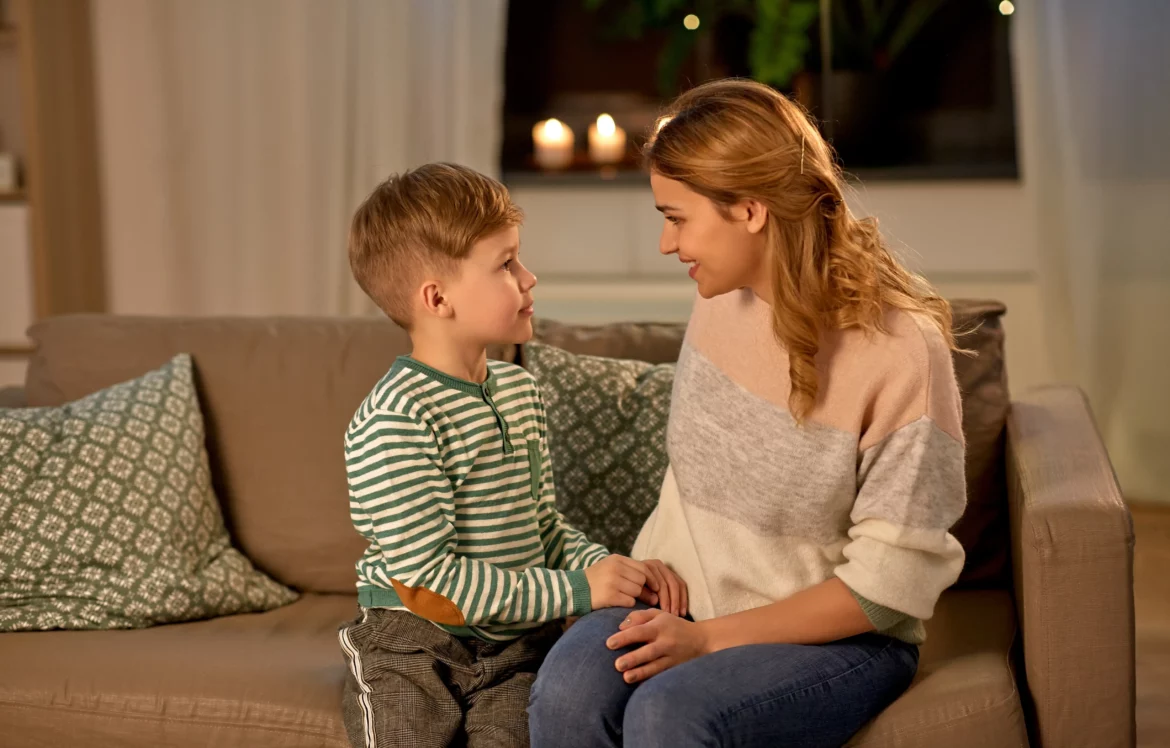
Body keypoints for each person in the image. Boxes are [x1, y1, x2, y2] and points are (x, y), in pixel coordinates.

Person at [528, 79, 968, 748]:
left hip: (841, 639)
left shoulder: (902, 353)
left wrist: (708, 639)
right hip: (677, 601)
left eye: (677, 217)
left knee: (671, 715)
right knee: (564, 697)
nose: (667, 244)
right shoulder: (719, 298)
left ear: (751, 211)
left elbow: (887, 589)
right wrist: (660, 572)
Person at [337, 163, 686, 748]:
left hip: (515, 644)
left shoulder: (519, 392)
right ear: (437, 297)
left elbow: (543, 528)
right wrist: (580, 590)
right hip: (411, 643)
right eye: (505, 264)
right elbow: (430, 586)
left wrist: (611, 570)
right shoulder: (397, 418)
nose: (528, 278)